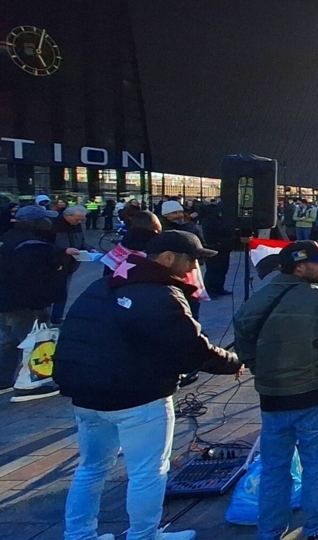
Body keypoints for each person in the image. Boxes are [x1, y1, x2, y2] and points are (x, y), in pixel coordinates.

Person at [54, 231, 241, 540]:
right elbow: (190, 348)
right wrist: (232, 362)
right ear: (167, 258)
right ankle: (144, 535)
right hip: (139, 397)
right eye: (191, 259)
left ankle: (79, 535)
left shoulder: (102, 284)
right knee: (147, 473)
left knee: (91, 469)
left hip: (87, 396)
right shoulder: (160, 293)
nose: (194, 266)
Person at [232, 240, 318, 540]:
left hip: (272, 398)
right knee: (316, 465)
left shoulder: (259, 299)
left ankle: (270, 531)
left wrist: (260, 368)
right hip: (313, 394)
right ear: (300, 266)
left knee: (274, 467)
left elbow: (242, 337)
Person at [0, 205, 68, 400]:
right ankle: (28, 384)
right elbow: (32, 280)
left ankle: (3, 379)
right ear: (36, 222)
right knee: (32, 341)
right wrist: (40, 306)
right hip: (23, 303)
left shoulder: (7, 238)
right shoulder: (33, 245)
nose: (50, 222)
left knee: (8, 341)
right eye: (45, 219)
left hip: (5, 300)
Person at [50, 205, 100, 324]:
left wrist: (90, 249)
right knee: (55, 290)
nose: (79, 222)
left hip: (71, 264)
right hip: (57, 263)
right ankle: (47, 316)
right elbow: (48, 245)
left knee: (63, 291)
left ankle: (57, 317)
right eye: (77, 219)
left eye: (81, 220)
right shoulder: (53, 226)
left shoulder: (76, 226)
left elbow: (80, 241)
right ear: (67, 216)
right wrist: (64, 250)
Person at [199, 198, 233, 297]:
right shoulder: (210, 220)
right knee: (214, 270)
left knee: (221, 270)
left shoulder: (215, 219)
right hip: (215, 247)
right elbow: (220, 231)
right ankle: (211, 290)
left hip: (223, 247)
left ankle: (219, 288)